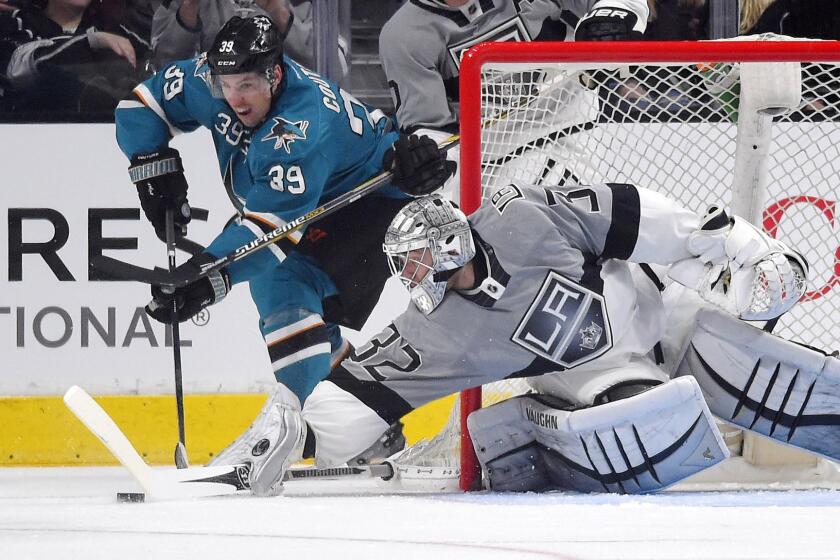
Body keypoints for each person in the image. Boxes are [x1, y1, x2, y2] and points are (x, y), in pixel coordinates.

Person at [224, 176, 828, 496]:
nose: (409, 279)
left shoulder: (527, 216)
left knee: (742, 346)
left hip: (664, 311)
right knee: (643, 419)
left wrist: (743, 250)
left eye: (414, 263)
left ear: (448, 248)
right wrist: (296, 431)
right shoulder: (434, 329)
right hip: (600, 377)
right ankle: (547, 429)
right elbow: (364, 387)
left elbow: (645, 217)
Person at [114, 14, 453, 493]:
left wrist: (207, 277)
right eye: (226, 83)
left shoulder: (299, 124)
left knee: (283, 280)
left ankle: (305, 428)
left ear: (274, 74)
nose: (234, 97)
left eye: (248, 84)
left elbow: (270, 235)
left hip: (370, 201)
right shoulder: (207, 80)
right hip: (314, 204)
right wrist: (154, 167)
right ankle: (362, 428)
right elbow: (139, 105)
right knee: (287, 295)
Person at [378, 0, 649, 200]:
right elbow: (434, 132)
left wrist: (614, 15)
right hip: (485, 165)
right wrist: (424, 161)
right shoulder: (402, 36)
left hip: (570, 133)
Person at [0, 0, 151, 115]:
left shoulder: (122, 34)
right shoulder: (13, 24)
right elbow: (18, 66)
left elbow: (156, 73)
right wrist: (91, 40)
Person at [150, 0, 347, 74]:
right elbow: (163, 71)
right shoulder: (180, 5)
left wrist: (280, 13)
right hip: (206, 123)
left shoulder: (306, 5)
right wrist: (188, 9)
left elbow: (335, 70)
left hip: (287, 120)